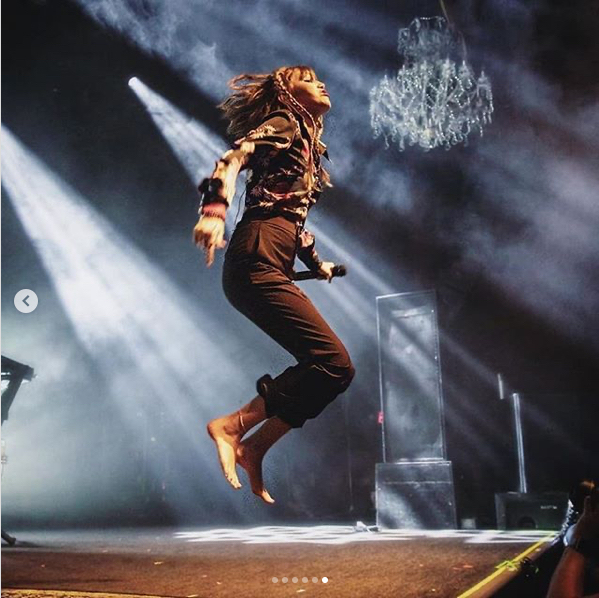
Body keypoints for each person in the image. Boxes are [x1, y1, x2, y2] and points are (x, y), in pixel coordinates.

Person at [193, 65, 355, 504]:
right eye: (308, 79)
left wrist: (317, 264)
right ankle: (231, 427)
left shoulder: (304, 143)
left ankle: (254, 446)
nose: (321, 82)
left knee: (335, 369)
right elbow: (232, 158)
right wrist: (214, 211)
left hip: (270, 255)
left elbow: (292, 221)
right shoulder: (284, 122)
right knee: (332, 361)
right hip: (256, 256)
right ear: (287, 91)